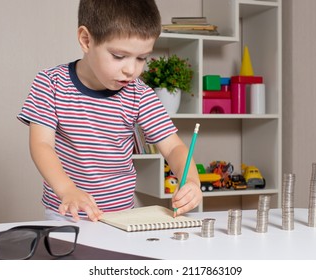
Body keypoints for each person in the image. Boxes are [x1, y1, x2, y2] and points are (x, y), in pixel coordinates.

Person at [17, 0, 202, 222]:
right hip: (66, 211)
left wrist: (192, 181)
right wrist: (67, 189)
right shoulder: (50, 83)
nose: (131, 70)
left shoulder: (139, 94)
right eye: (118, 56)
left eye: (142, 58)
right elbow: (41, 144)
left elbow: (173, 147)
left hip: (121, 215)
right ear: (86, 40)